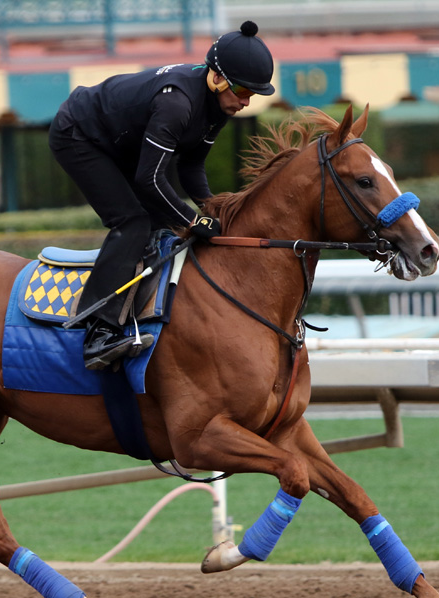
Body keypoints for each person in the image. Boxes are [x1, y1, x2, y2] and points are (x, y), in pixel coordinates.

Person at [48, 21, 276, 370]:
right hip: (78, 133)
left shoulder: (217, 106)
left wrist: (215, 214)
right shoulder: (178, 104)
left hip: (119, 142)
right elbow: (149, 179)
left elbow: (191, 168)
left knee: (161, 227)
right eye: (243, 90)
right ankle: (97, 330)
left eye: (254, 94)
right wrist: (193, 220)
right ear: (216, 77)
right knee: (134, 222)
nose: (246, 101)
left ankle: (140, 317)